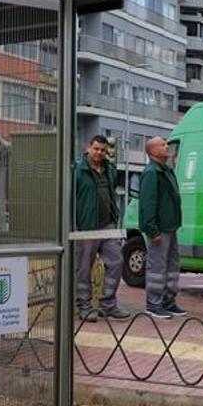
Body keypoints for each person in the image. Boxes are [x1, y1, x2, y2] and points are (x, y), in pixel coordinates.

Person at [73, 135, 131, 322]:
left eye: (102, 150)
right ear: (89, 147)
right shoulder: (77, 170)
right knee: (83, 269)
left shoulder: (110, 170)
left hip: (108, 227)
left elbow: (112, 194)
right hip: (86, 228)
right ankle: (84, 306)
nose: (99, 153)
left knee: (116, 262)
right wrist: (73, 226)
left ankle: (108, 304)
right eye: (96, 149)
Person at [139, 136, 186, 319]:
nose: (167, 146)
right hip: (159, 230)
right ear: (153, 152)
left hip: (170, 227)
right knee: (157, 267)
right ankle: (153, 304)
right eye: (163, 144)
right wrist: (153, 230)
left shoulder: (166, 170)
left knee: (172, 266)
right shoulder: (152, 172)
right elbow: (148, 203)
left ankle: (168, 302)